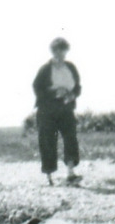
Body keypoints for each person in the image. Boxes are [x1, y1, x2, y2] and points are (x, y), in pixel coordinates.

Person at [32, 37, 82, 186]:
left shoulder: (71, 67)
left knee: (70, 138)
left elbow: (78, 86)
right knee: (47, 140)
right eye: (57, 51)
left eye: (63, 50)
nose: (60, 54)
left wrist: (73, 94)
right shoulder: (45, 69)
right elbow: (37, 87)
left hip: (66, 107)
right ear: (52, 51)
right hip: (47, 109)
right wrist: (54, 93)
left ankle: (71, 173)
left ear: (66, 51)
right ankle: (49, 176)